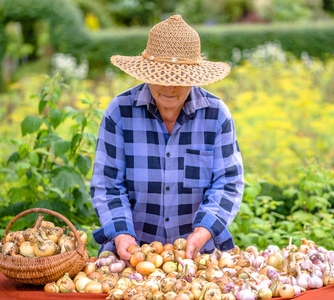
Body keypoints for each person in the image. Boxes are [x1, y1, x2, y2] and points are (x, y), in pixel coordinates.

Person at [90, 15, 244, 263]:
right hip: (130, 258)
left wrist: (203, 232)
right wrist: (122, 235)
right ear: (147, 72)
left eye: (178, 80)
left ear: (194, 77)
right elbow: (107, 184)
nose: (169, 87)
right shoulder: (120, 112)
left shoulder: (216, 115)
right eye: (161, 77)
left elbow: (228, 182)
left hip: (199, 259)